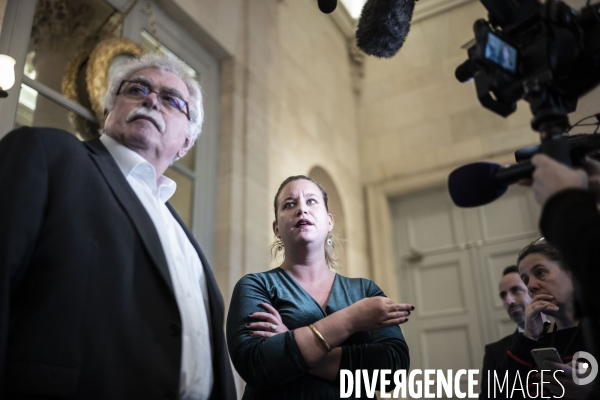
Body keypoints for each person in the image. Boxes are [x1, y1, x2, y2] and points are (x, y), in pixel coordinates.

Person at [0, 53, 236, 399]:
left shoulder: (182, 235)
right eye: (137, 89)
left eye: (171, 100)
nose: (151, 99)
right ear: (109, 111)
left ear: (186, 142)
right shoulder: (49, 155)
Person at [226, 175, 411, 399]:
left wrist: (291, 341)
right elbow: (256, 366)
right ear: (276, 228)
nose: (301, 209)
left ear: (329, 221)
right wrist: (351, 319)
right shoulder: (256, 286)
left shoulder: (365, 291)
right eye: (289, 204)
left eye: (311, 201)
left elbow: (393, 371)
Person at [494, 239, 594, 399]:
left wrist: (592, 392)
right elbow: (495, 394)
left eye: (540, 272)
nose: (531, 286)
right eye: (525, 280)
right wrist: (528, 337)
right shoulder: (531, 342)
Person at [479, 265, 539, 398]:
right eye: (503, 295)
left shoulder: (566, 335)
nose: (508, 301)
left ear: (534, 292)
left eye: (516, 291)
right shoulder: (495, 352)